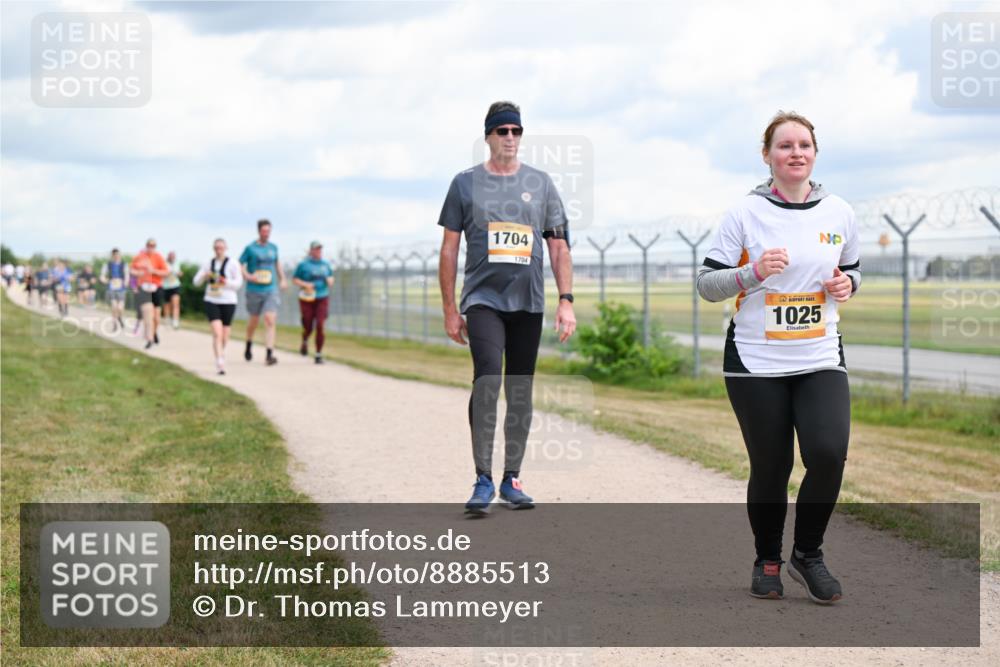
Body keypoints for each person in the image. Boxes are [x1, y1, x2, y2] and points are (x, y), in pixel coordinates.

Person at [697, 111, 860, 605]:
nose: (795, 153)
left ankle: (807, 554)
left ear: (815, 153)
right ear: (767, 155)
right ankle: (767, 557)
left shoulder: (840, 212)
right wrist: (751, 274)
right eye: (784, 145)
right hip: (755, 361)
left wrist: (847, 284)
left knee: (828, 454)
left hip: (819, 354)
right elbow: (706, 285)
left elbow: (852, 271)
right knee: (772, 467)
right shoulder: (745, 214)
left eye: (804, 145)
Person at [438, 100, 576, 515]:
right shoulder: (465, 184)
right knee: (486, 379)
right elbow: (448, 250)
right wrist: (449, 308)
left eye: (516, 131)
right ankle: (482, 478)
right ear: (488, 137)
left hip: (527, 303)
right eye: (503, 132)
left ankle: (510, 478)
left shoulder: (542, 183)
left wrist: (566, 301)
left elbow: (558, 245)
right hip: (483, 300)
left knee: (520, 389)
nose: (510, 138)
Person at [239, 219, 286, 366]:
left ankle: (269, 353)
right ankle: (248, 343)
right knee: (254, 320)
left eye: (268, 231)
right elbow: (240, 264)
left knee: (270, 319)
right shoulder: (250, 248)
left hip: (270, 289)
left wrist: (282, 279)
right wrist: (247, 276)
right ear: (259, 231)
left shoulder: (274, 248)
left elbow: (277, 263)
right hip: (254, 289)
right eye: (264, 231)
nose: (266, 234)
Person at [193, 238, 243, 375]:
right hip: (211, 300)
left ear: (226, 248)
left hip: (228, 301)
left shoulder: (233, 264)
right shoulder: (208, 263)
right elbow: (196, 282)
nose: (218, 250)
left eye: (221, 247)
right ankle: (220, 361)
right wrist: (204, 275)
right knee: (217, 332)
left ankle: (221, 352)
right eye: (216, 248)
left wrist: (225, 282)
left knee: (225, 335)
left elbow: (238, 283)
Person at [292, 241, 334, 364]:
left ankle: (318, 354)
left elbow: (331, 277)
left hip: (322, 297)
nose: (318, 251)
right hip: (307, 298)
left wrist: (330, 280)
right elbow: (295, 279)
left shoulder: (325, 264)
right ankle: (305, 340)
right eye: (316, 249)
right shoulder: (303, 265)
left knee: (320, 325)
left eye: (320, 249)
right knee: (308, 324)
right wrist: (305, 284)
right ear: (311, 251)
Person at [130, 239, 169, 350]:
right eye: (149, 245)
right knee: (148, 315)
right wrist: (139, 274)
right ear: (146, 245)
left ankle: (154, 332)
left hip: (156, 288)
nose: (151, 247)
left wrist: (154, 271)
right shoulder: (139, 257)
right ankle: (149, 339)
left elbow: (165, 272)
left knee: (156, 317)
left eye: (153, 245)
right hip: (143, 288)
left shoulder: (158, 257)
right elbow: (131, 270)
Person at [100, 249, 129, 331]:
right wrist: (105, 280)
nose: (116, 256)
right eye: (115, 255)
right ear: (112, 256)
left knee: (120, 308)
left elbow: (127, 275)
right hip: (111, 287)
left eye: (118, 255)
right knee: (114, 307)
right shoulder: (107, 265)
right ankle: (114, 324)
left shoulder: (124, 265)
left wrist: (126, 282)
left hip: (121, 288)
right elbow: (102, 276)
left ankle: (119, 317)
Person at [161, 250, 183, 329]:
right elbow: (162, 273)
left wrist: (180, 273)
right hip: (166, 286)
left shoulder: (177, 263)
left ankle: (175, 321)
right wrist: (167, 273)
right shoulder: (164, 263)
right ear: (168, 256)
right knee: (167, 304)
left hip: (175, 285)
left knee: (175, 303)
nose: (172, 257)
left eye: (173, 256)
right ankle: (167, 318)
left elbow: (179, 273)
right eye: (171, 256)